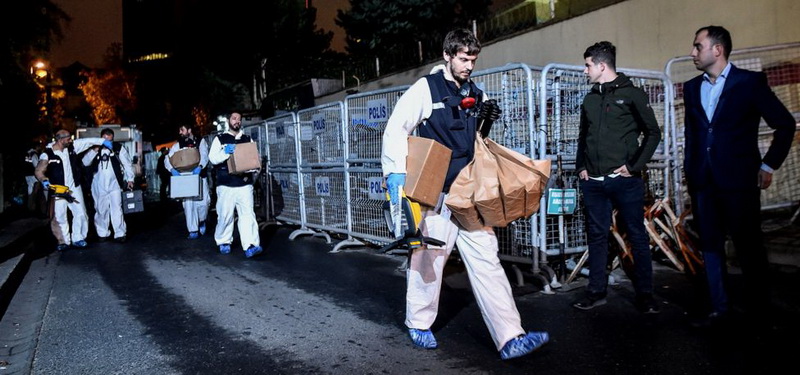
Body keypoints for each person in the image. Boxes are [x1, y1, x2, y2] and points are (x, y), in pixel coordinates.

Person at [381, 28, 548, 360]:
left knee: (487, 262)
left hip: (468, 195)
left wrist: (485, 123)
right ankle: (418, 323)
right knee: (429, 260)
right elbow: (396, 126)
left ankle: (511, 337)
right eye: (463, 59)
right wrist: (395, 173)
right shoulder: (425, 90)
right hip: (436, 193)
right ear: (447, 55)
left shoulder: (475, 92)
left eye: (473, 59)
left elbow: (475, 141)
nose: (469, 65)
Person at [683, 26, 796, 325]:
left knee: (748, 247)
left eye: (698, 46)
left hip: (739, 182)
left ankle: (759, 311)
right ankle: (719, 308)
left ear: (717, 50)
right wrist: (690, 170)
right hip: (703, 183)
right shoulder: (691, 87)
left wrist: (768, 165)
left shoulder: (750, 83)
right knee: (710, 246)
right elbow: (694, 135)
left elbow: (784, 125)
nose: (693, 52)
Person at [573, 41, 662, 313]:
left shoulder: (632, 94)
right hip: (594, 183)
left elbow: (653, 132)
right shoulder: (590, 99)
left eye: (588, 64)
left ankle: (645, 295)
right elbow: (583, 137)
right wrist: (581, 167)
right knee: (597, 236)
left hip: (625, 181)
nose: (585, 69)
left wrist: (633, 166)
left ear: (602, 65)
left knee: (636, 235)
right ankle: (596, 291)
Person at [34, 129, 110, 251]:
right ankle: (63, 241)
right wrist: (44, 180)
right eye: (68, 138)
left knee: (81, 213)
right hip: (59, 189)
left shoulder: (72, 148)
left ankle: (78, 238)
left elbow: (87, 142)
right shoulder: (47, 154)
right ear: (61, 140)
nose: (70, 140)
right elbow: (39, 170)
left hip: (74, 187)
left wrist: (102, 141)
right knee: (59, 216)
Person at [208, 112, 263, 258]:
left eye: (239, 119)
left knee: (247, 215)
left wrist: (255, 167)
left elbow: (253, 158)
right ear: (228, 121)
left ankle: (251, 245)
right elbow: (213, 159)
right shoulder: (220, 139)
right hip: (226, 184)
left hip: (244, 184)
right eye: (234, 118)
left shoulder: (247, 138)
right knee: (225, 216)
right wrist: (225, 152)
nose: (237, 121)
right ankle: (223, 241)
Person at [82, 128, 135, 243]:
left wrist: (130, 179)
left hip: (114, 184)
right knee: (101, 209)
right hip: (98, 184)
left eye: (109, 139)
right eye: (104, 139)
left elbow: (127, 163)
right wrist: (95, 149)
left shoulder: (118, 148)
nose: (106, 141)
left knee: (117, 208)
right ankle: (102, 232)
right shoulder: (94, 148)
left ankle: (120, 233)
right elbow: (85, 162)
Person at [165, 124, 211, 239]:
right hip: (185, 178)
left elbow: (204, 155)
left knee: (204, 203)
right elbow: (168, 159)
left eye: (182, 129)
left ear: (189, 130)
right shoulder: (177, 145)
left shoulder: (200, 142)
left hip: (199, 175)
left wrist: (200, 166)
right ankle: (193, 230)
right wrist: (172, 170)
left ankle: (202, 220)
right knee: (188, 205)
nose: (180, 132)